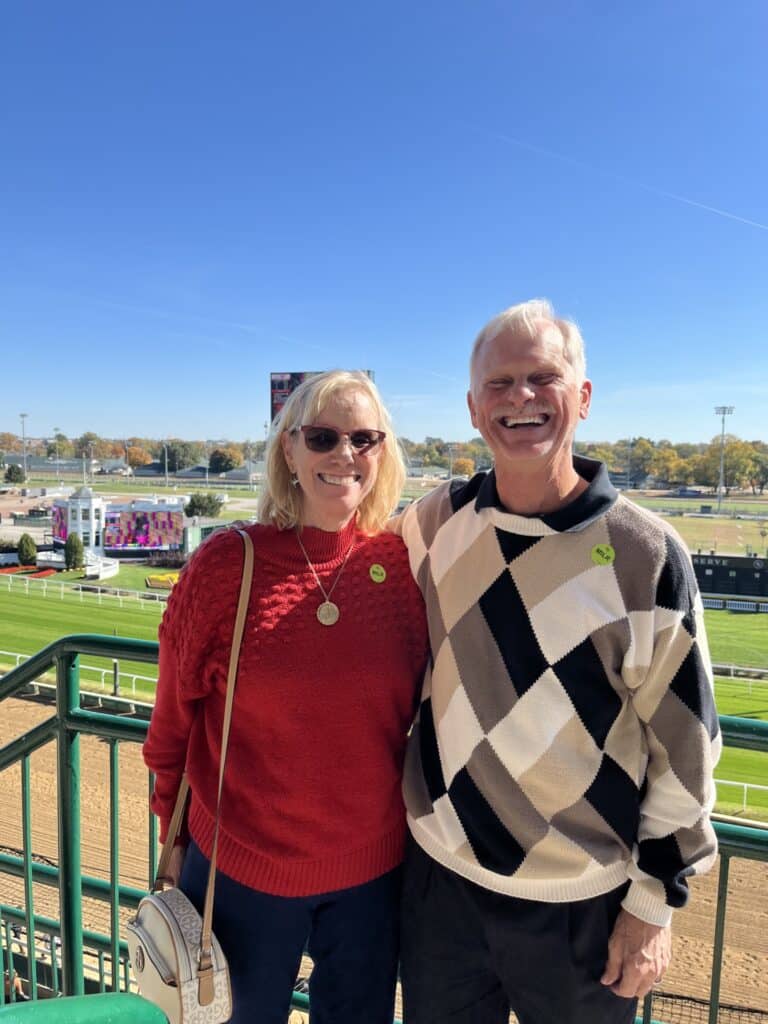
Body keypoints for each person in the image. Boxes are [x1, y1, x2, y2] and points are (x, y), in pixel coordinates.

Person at [392, 299, 721, 1024]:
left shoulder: (647, 553)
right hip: (441, 885)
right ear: (475, 410)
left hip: (584, 908)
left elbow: (687, 748)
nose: (522, 399)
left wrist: (653, 901)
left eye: (543, 377)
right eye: (502, 384)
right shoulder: (431, 522)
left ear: (584, 397)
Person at [143, 369, 428, 1024]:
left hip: (371, 877)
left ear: (384, 453)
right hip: (239, 874)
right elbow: (170, 728)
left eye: (365, 438)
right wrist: (171, 824)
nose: (344, 455)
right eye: (323, 437)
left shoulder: (403, 570)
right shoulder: (224, 566)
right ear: (289, 452)